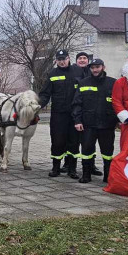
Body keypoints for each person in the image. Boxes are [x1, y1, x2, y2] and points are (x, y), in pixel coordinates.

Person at [72, 58, 118, 183]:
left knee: (107, 152)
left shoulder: (113, 83)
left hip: (107, 124)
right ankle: (86, 174)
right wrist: (77, 121)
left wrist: (117, 120)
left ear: (103, 67)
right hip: (88, 124)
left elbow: (118, 103)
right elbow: (77, 104)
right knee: (86, 150)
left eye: (97, 67)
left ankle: (108, 175)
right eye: (92, 67)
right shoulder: (83, 83)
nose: (95, 70)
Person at [38, 49, 80, 178]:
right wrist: (38, 105)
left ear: (68, 58)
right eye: (59, 60)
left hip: (74, 114)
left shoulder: (78, 72)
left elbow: (83, 92)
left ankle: (72, 169)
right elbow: (45, 93)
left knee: (73, 142)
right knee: (57, 141)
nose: (62, 62)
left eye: (64, 59)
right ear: (56, 61)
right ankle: (55, 168)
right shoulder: (52, 73)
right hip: (58, 114)